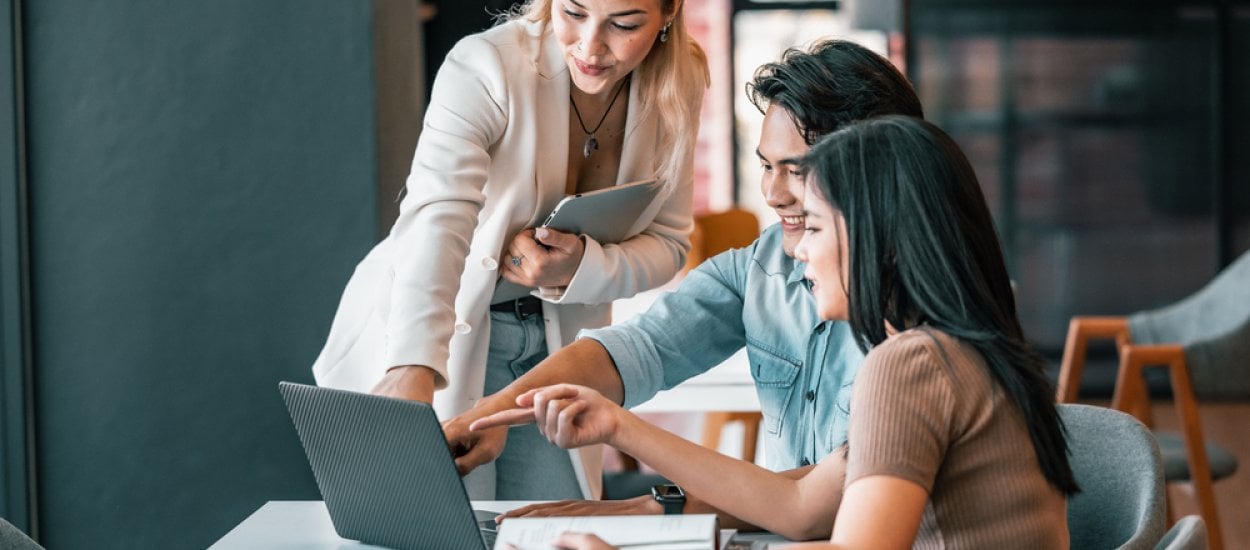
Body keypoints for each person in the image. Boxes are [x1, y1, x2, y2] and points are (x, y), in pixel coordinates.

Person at [473, 115, 1081, 549]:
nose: (800, 255)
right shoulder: (961, 350)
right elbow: (797, 508)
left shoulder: (911, 365)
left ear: (875, 238)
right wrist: (620, 426)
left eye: (813, 229)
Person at [441, 39, 923, 531]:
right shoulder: (761, 266)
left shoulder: (923, 334)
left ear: (875, 167)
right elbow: (636, 349)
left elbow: (813, 503)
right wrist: (488, 415)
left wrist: (650, 507)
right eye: (765, 166)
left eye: (796, 171)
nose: (773, 194)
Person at [311, 0, 708, 501]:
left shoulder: (682, 78)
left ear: (669, 12)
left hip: (558, 349)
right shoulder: (485, 65)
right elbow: (439, 215)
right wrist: (411, 365)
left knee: (553, 526)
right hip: (435, 328)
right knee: (442, 529)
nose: (590, 45)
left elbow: (669, 244)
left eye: (624, 24)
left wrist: (580, 266)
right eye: (573, 12)